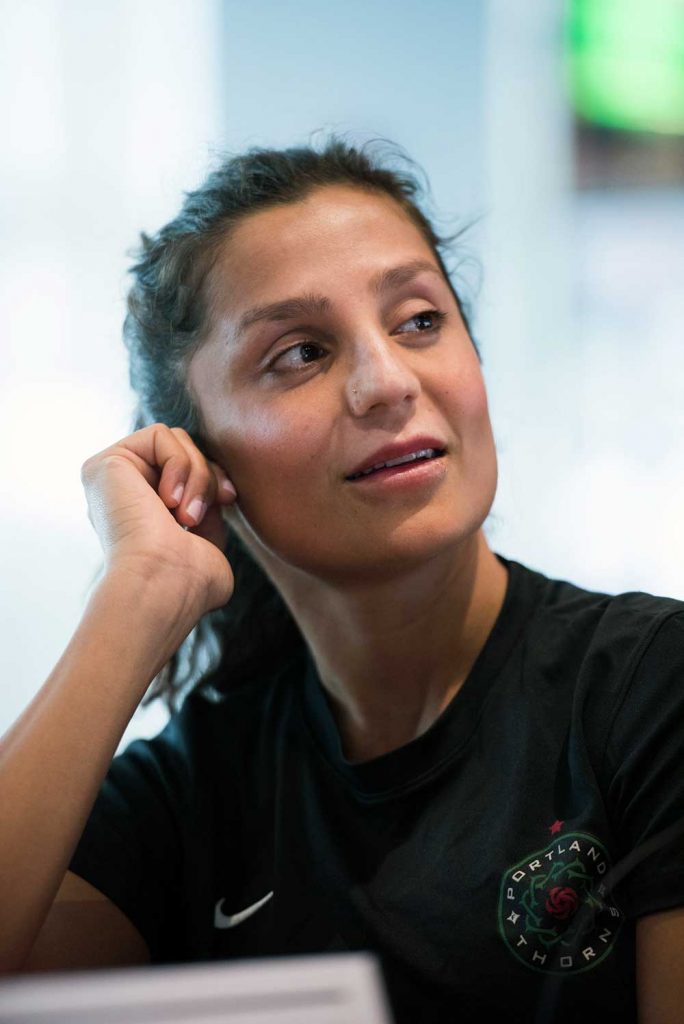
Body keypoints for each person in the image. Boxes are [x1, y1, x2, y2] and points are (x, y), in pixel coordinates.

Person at [1, 136, 683, 1024]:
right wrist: (135, 596)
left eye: (419, 320)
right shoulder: (194, 790)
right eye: (300, 354)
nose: (387, 381)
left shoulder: (650, 687)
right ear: (201, 459)